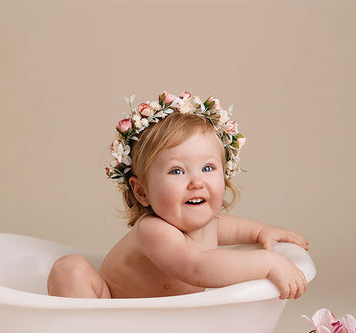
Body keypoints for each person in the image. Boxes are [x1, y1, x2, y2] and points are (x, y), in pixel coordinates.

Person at [47, 91, 309, 300]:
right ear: (141, 191)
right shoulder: (153, 230)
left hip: (160, 328)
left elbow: (234, 227)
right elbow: (197, 268)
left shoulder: (209, 224)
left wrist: (261, 233)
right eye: (176, 171)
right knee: (70, 269)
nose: (196, 181)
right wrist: (267, 263)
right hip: (111, 315)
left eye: (208, 168)